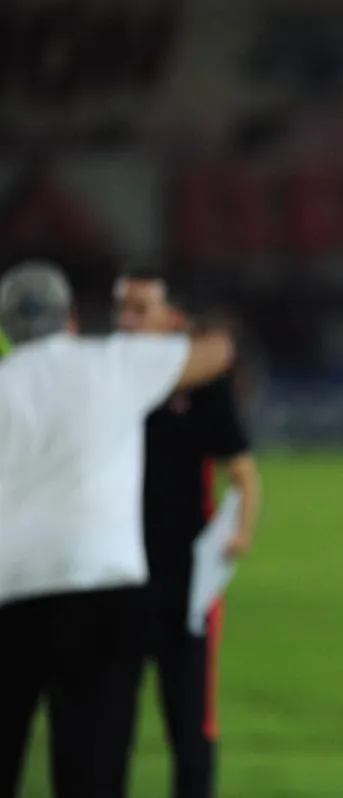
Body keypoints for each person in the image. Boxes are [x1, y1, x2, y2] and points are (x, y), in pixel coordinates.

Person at [0, 261, 234, 798]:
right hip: (99, 587)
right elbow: (217, 352)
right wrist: (171, 324)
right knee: (91, 767)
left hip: (9, 589)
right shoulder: (113, 363)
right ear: (71, 317)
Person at [113, 269, 262, 798]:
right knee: (106, 721)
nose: (126, 320)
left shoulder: (200, 386)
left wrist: (239, 531)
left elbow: (243, 472)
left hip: (184, 578)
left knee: (190, 719)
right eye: (122, 308)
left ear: (172, 317)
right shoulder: (105, 378)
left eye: (140, 309)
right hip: (112, 573)